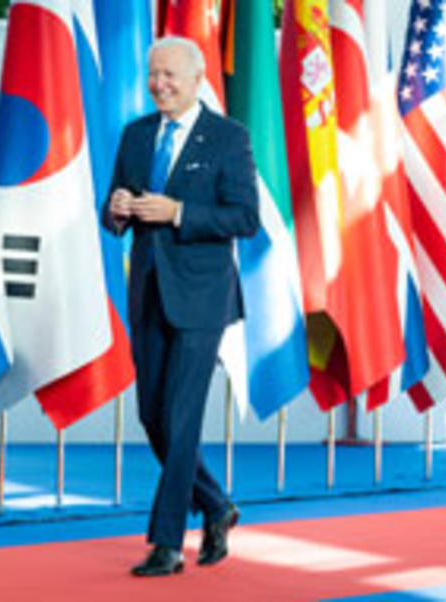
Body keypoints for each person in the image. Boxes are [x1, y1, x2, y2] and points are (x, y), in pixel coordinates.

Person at [102, 36, 260, 577]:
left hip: (201, 298)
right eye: (154, 74)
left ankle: (167, 542)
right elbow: (113, 209)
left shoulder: (228, 138)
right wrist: (118, 208)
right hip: (147, 291)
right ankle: (216, 505)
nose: (159, 84)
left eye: (170, 75)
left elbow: (244, 218)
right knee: (153, 417)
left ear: (196, 79)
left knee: (182, 417)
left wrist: (178, 213)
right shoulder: (137, 134)